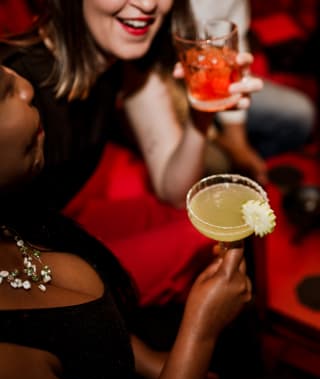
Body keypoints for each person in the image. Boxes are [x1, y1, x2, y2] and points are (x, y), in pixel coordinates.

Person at [0, 64, 317, 379]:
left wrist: (152, 363)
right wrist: (200, 332)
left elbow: (77, 330)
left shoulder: (15, 215)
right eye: (4, 92)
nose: (27, 86)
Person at [0, 0, 264, 306]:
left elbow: (173, 190)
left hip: (57, 226)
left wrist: (201, 116)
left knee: (216, 218)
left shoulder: (124, 61)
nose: (148, 3)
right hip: (24, 251)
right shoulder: (16, 88)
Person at [190, 0, 316, 185]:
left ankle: (249, 161)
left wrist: (238, 142)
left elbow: (233, 48)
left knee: (301, 116)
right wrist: (228, 145)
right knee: (217, 164)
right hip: (172, 97)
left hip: (216, 79)